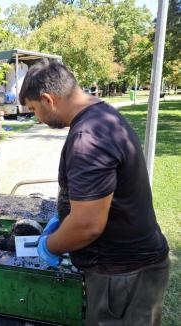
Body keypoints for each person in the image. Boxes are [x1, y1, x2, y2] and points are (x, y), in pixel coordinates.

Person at [19, 59, 169, 325]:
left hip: (122, 276)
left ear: (47, 99)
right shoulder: (102, 116)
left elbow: (88, 225)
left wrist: (48, 246)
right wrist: (64, 218)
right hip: (131, 268)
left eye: (33, 109)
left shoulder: (88, 138)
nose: (36, 118)